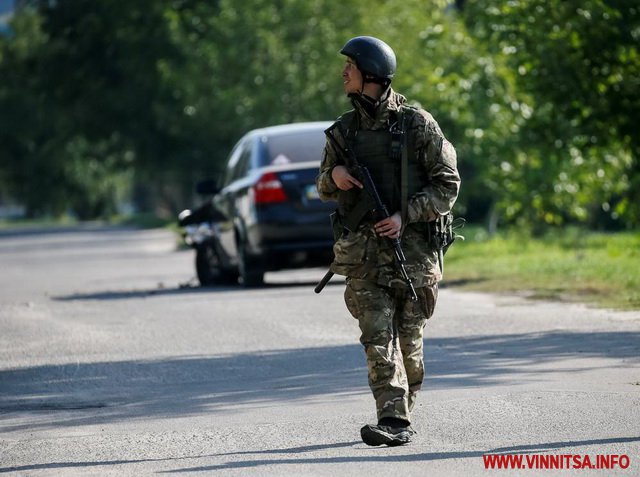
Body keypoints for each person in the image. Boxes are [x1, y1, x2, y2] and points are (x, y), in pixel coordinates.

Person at [316, 36, 460, 447]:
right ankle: (393, 419)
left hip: (414, 255)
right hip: (363, 257)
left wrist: (405, 215)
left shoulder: (418, 125)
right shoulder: (343, 132)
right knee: (378, 338)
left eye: (350, 67)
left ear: (371, 75)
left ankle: (402, 410)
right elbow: (323, 185)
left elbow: (447, 185)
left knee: (409, 346)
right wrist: (335, 178)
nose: (344, 73)